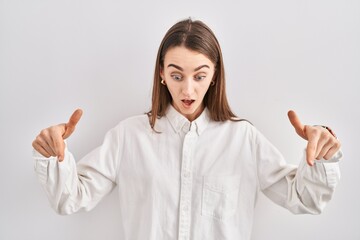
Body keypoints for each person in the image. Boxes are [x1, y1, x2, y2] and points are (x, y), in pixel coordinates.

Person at [32, 18, 342, 240]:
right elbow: (71, 197)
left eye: (200, 75)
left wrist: (323, 152)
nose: (188, 90)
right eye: (177, 75)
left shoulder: (243, 140)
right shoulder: (128, 137)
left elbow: (305, 198)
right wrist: (52, 154)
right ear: (163, 74)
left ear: (215, 76)